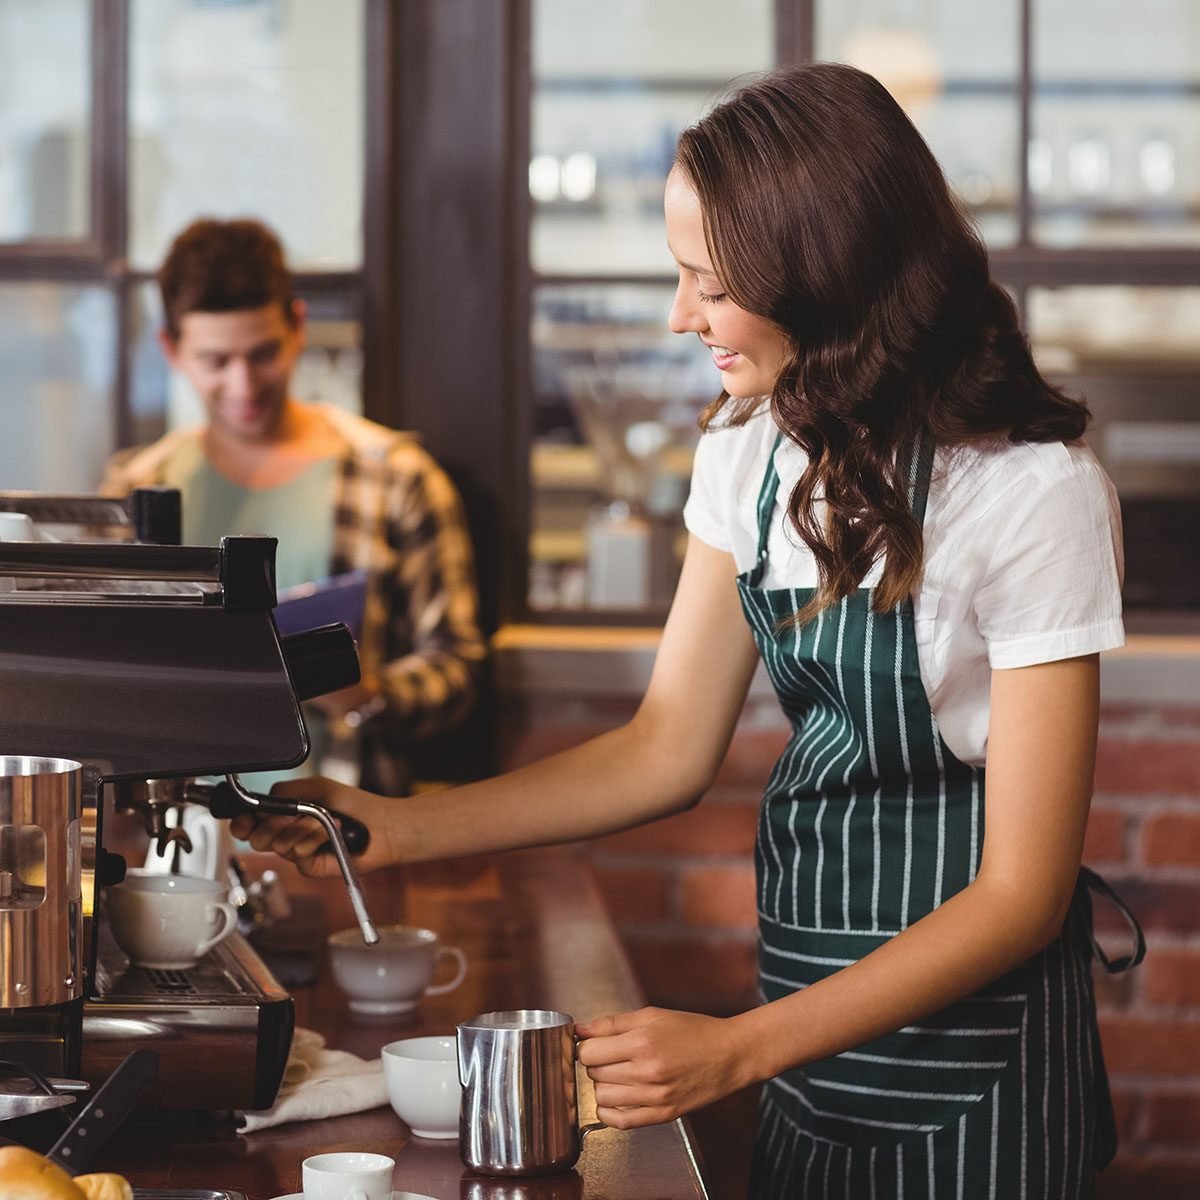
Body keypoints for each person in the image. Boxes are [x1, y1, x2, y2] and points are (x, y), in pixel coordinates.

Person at [232, 65, 1143, 1196]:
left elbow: (1024, 895)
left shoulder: (1030, 496)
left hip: (970, 1069)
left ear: (825, 276)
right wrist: (394, 830)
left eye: (708, 283)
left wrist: (733, 1047)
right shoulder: (754, 452)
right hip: (811, 1043)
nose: (678, 316)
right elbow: (667, 746)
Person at [101, 218, 486, 793]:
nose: (243, 384)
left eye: (263, 354)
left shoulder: (395, 479)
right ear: (171, 350)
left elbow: (457, 669)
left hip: (334, 820)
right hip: (170, 830)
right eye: (216, 360)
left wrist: (368, 694)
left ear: (298, 328)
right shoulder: (133, 490)